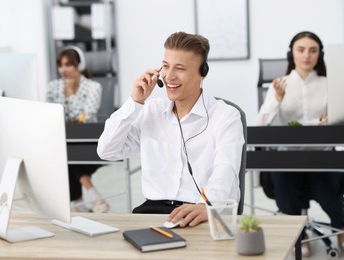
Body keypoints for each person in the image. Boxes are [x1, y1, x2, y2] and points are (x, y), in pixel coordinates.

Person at [97, 31, 244, 227]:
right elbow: (107, 151)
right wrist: (134, 102)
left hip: (200, 211)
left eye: (180, 68)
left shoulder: (225, 116)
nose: (169, 76)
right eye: (165, 66)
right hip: (153, 213)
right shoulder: (150, 111)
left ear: (203, 72)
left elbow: (226, 168)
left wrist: (206, 205)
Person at [257, 31, 344, 256]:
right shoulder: (279, 85)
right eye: (300, 50)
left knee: (326, 189)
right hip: (288, 157)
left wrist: (332, 120)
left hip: (321, 154)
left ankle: (341, 223)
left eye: (313, 50)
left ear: (319, 54)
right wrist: (277, 100)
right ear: (291, 54)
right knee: (286, 186)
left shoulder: (329, 84)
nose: (306, 55)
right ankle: (298, 233)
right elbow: (261, 123)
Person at [46, 46, 109, 213]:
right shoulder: (54, 87)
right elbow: (49, 114)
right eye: (61, 65)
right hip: (63, 139)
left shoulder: (93, 87)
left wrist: (68, 120)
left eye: (68, 65)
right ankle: (84, 200)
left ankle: (84, 200)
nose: (63, 70)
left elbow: (88, 116)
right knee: (65, 149)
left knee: (66, 152)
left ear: (79, 66)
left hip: (88, 140)